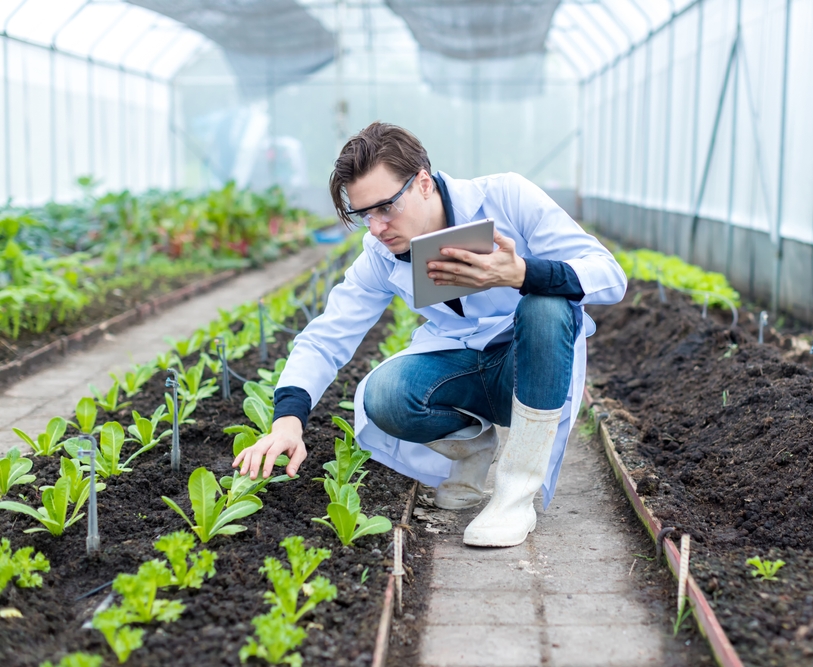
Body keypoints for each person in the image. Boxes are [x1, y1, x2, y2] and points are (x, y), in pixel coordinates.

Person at [232, 122, 626, 548]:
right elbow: (327, 335)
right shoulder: (381, 255)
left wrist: (523, 273)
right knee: (384, 395)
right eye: (364, 215)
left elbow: (610, 275)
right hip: (466, 369)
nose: (377, 228)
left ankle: (515, 496)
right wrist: (288, 419)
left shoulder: (507, 198)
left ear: (422, 182)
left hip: (532, 367)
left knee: (547, 303)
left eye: (386, 208)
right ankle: (472, 450)